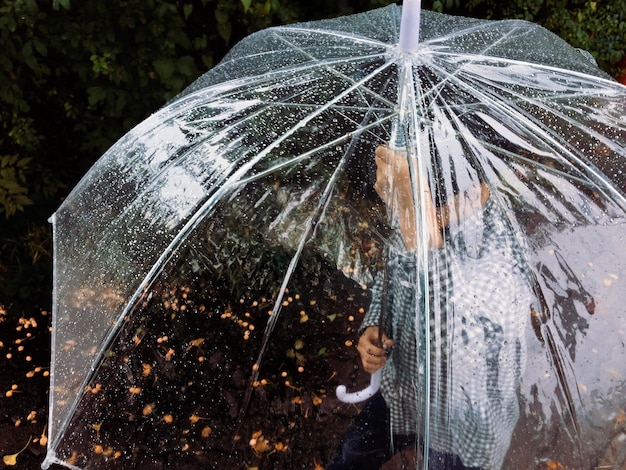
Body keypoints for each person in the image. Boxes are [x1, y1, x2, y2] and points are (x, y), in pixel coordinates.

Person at [328, 145, 534, 469]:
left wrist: (416, 218)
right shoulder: (427, 214)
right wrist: (372, 325)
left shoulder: (502, 257)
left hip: (458, 429)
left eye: (436, 203)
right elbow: (394, 274)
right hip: (400, 394)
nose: (429, 215)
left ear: (479, 187)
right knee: (352, 458)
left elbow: (452, 358)